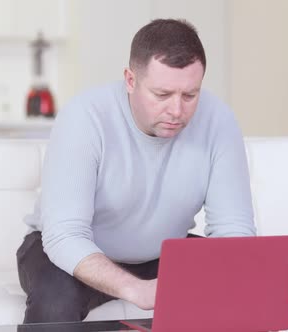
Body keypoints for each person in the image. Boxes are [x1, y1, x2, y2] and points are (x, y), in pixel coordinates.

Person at [16, 18, 256, 324]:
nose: (177, 111)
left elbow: (234, 232)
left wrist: (234, 280)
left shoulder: (218, 121)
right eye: (162, 95)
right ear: (130, 80)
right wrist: (135, 289)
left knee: (245, 287)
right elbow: (64, 235)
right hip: (67, 251)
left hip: (162, 254)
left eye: (190, 95)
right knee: (54, 302)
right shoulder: (84, 117)